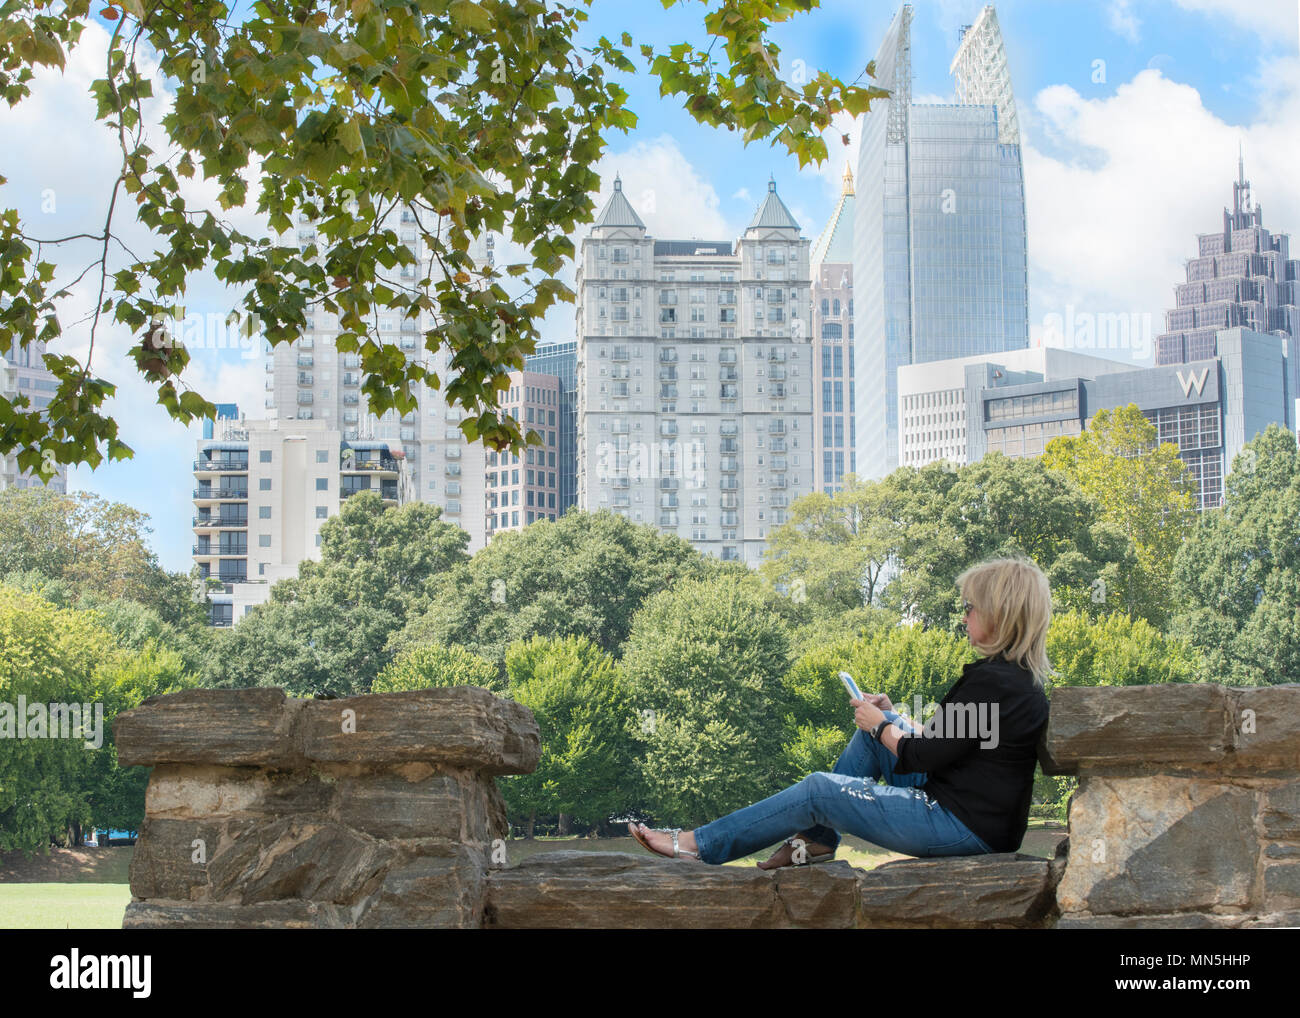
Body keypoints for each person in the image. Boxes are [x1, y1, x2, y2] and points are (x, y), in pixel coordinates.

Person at [630, 555, 1054, 867]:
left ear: (999, 615)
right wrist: (892, 719)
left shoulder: (995, 682)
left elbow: (921, 756)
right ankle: (814, 842)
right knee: (869, 741)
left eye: (970, 608)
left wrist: (882, 725)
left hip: (962, 827)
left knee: (819, 789)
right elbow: (956, 745)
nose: (964, 618)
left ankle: (697, 845)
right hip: (972, 814)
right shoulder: (1013, 680)